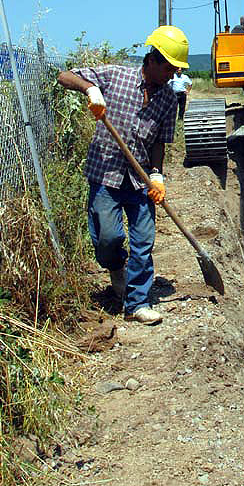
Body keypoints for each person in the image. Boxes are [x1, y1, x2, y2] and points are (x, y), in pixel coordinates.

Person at [57, 25, 189, 325]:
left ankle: (137, 303)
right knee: (108, 238)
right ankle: (116, 268)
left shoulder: (169, 99)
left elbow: (159, 142)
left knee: (144, 242)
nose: (174, 75)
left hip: (140, 180)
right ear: (153, 60)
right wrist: (90, 89)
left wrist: (157, 175)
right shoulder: (116, 76)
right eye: (171, 68)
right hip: (106, 174)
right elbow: (65, 77)